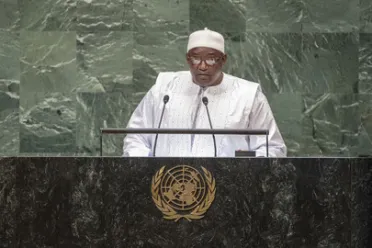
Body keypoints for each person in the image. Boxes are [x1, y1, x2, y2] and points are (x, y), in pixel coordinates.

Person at [123, 28, 287, 157]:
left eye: (211, 59)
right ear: (188, 58)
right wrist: (146, 168)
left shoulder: (248, 95)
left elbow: (272, 148)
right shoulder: (164, 89)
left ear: (223, 60)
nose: (202, 66)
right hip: (168, 188)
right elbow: (135, 138)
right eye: (196, 58)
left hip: (229, 190)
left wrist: (241, 164)